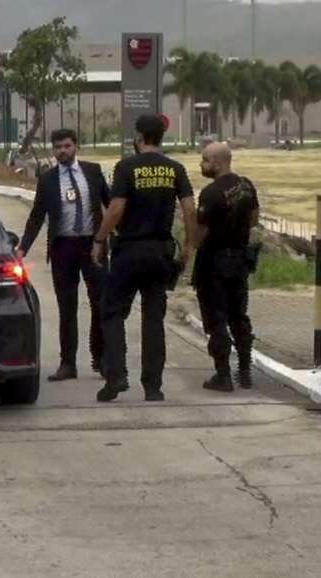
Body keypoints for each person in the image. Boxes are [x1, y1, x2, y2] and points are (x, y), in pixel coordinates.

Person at [91, 114, 199, 402]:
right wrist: (189, 246)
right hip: (160, 253)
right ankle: (153, 387)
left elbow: (115, 210)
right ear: (161, 137)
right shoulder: (175, 169)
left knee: (112, 312)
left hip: (129, 250)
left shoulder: (126, 167)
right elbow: (190, 210)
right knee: (154, 319)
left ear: (139, 138)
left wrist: (99, 239)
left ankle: (116, 376)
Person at [18, 129, 111, 381]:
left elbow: (111, 204)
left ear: (76, 146)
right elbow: (37, 216)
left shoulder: (93, 171)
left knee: (100, 303)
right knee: (67, 308)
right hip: (63, 249)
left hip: (93, 247)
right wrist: (22, 249)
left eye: (67, 146)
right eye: (58, 147)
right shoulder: (47, 179)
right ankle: (67, 363)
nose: (62, 151)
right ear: (53, 150)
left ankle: (101, 358)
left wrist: (114, 238)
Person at [192, 142, 260, 392]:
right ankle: (244, 370)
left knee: (216, 318)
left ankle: (223, 375)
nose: (202, 165)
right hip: (240, 260)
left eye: (205, 160)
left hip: (214, 262)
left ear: (217, 162)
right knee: (238, 315)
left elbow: (200, 234)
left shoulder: (210, 193)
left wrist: (190, 249)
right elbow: (254, 219)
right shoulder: (246, 186)